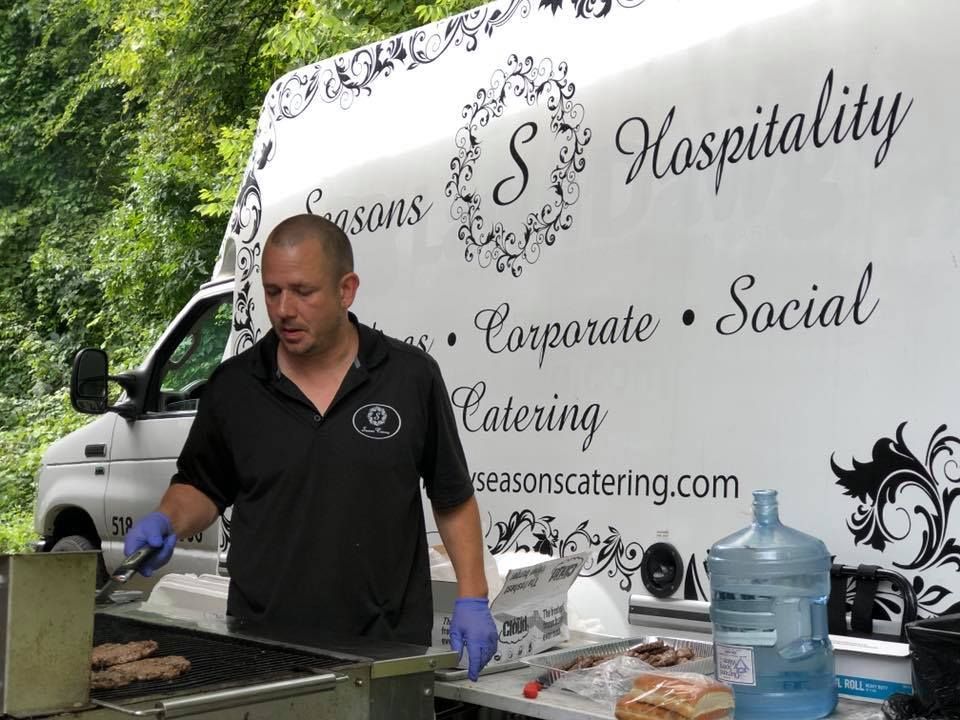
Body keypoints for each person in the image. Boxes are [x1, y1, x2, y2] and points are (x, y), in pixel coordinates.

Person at [124, 213, 498, 680]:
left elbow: (452, 497)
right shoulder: (235, 387)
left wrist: (472, 597)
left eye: (303, 291)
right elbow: (202, 485)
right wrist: (167, 519)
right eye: (273, 290)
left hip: (386, 647)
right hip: (262, 647)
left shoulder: (409, 376)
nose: (284, 309)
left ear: (346, 290)